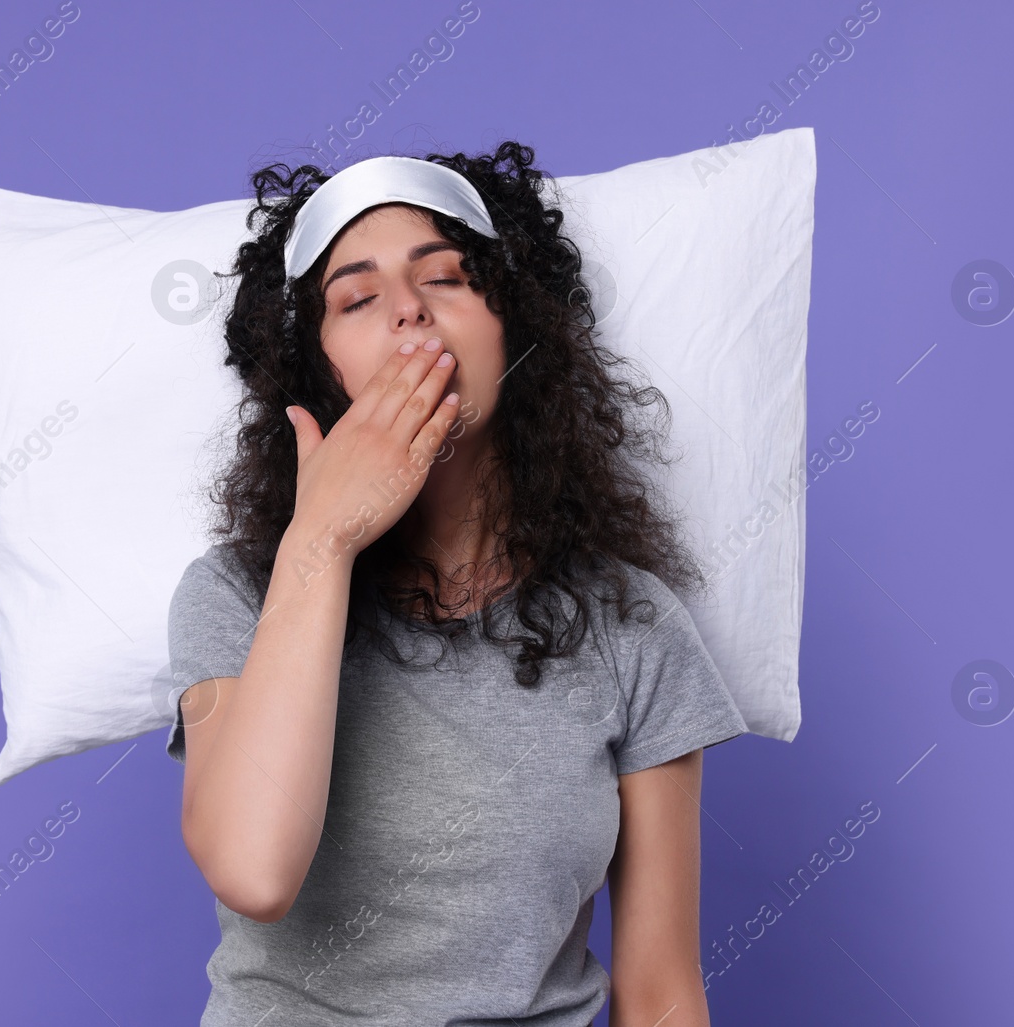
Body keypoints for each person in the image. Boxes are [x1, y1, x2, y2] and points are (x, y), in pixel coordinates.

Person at [164, 141, 749, 1026]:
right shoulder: (236, 595)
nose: (408, 312)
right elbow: (254, 869)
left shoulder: (633, 628)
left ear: (514, 327)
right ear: (316, 371)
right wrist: (321, 538)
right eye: (358, 298)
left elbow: (663, 992)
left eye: (445, 279)